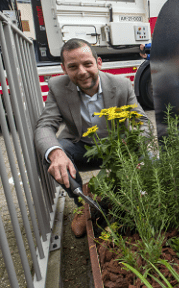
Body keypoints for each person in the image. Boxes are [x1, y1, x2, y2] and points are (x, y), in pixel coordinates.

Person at [34, 38, 149, 237]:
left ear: (99, 63)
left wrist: (140, 144)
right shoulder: (57, 87)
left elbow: (142, 121)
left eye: (87, 63)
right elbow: (45, 125)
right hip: (83, 148)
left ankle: (135, 200)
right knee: (51, 154)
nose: (82, 71)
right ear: (64, 68)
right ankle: (83, 206)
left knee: (150, 158)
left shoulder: (121, 85)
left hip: (118, 149)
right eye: (73, 66)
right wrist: (55, 152)